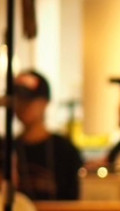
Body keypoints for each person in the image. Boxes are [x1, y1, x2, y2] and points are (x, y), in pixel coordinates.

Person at [9, 69, 83, 201]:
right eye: (18, 99)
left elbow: (75, 198)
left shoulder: (65, 151)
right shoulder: (7, 149)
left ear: (45, 102)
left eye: (29, 99)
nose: (22, 105)